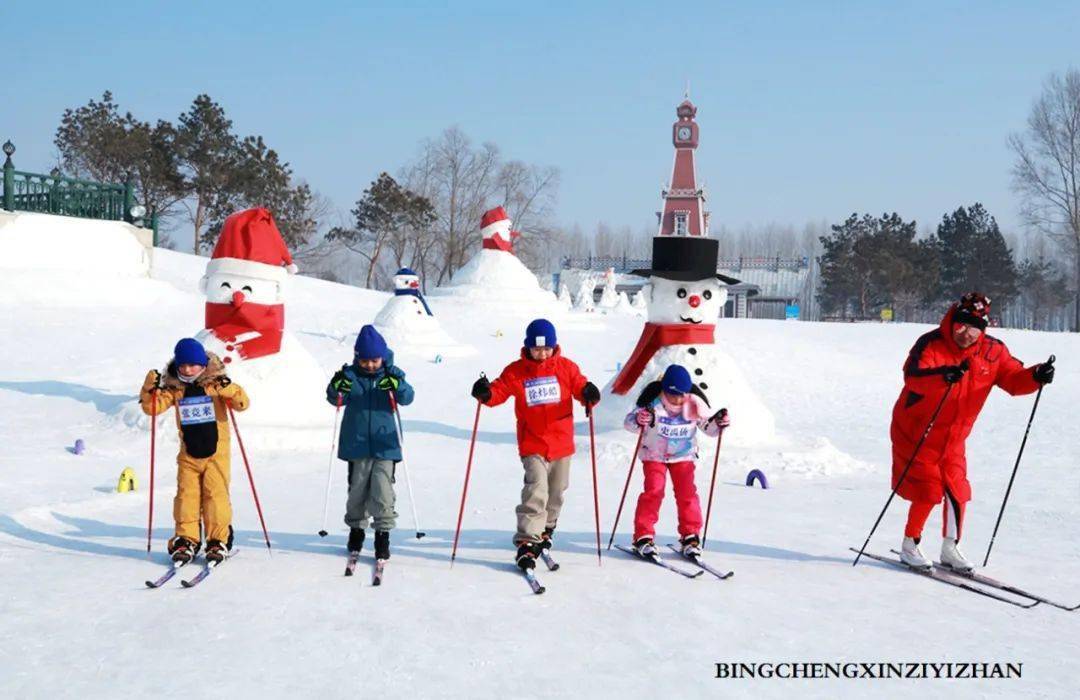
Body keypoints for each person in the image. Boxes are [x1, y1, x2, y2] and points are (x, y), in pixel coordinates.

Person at [891, 292, 1053, 573]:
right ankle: (910, 543)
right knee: (928, 488)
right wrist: (945, 375)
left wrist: (1036, 375)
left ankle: (950, 547)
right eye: (961, 326)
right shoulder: (931, 344)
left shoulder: (992, 352)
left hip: (955, 435)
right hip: (917, 429)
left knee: (957, 488)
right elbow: (913, 376)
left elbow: (1014, 379)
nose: (966, 334)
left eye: (974, 328)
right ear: (953, 321)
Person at [470, 318, 601, 570]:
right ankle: (528, 539)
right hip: (533, 442)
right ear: (527, 347)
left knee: (557, 490)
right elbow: (500, 390)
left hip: (561, 442)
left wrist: (588, 393)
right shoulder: (516, 371)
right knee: (536, 488)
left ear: (554, 347)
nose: (541, 354)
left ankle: (547, 528)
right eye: (536, 349)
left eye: (546, 348)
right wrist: (486, 393)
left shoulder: (566, 368)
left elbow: (580, 386)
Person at [140, 338, 250, 564]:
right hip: (189, 453)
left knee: (215, 496)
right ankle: (186, 538)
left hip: (216, 454)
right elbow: (152, 408)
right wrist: (149, 389)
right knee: (186, 497)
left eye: (193, 365)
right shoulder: (175, 388)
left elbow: (242, 404)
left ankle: (217, 540)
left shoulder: (216, 384)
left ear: (203, 364)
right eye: (183, 366)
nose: (188, 370)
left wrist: (230, 390)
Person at [327, 325, 414, 561]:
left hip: (386, 444)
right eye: (365, 361)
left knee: (382, 490)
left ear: (382, 357)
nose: (370, 365)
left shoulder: (392, 374)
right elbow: (334, 397)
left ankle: (382, 535)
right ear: (357, 358)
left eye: (375, 360)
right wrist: (338, 387)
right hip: (356, 443)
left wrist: (397, 386)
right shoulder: (350, 376)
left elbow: (408, 397)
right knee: (357, 490)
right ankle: (356, 530)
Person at [624, 364, 729, 557]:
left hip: (683, 456)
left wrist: (719, 423)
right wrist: (640, 420)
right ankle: (643, 535)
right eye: (674, 395)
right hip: (654, 456)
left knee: (687, 494)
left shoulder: (694, 403)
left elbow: (709, 428)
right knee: (654, 492)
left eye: (683, 394)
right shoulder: (652, 403)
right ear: (665, 390)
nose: (679, 399)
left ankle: (690, 535)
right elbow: (629, 424)